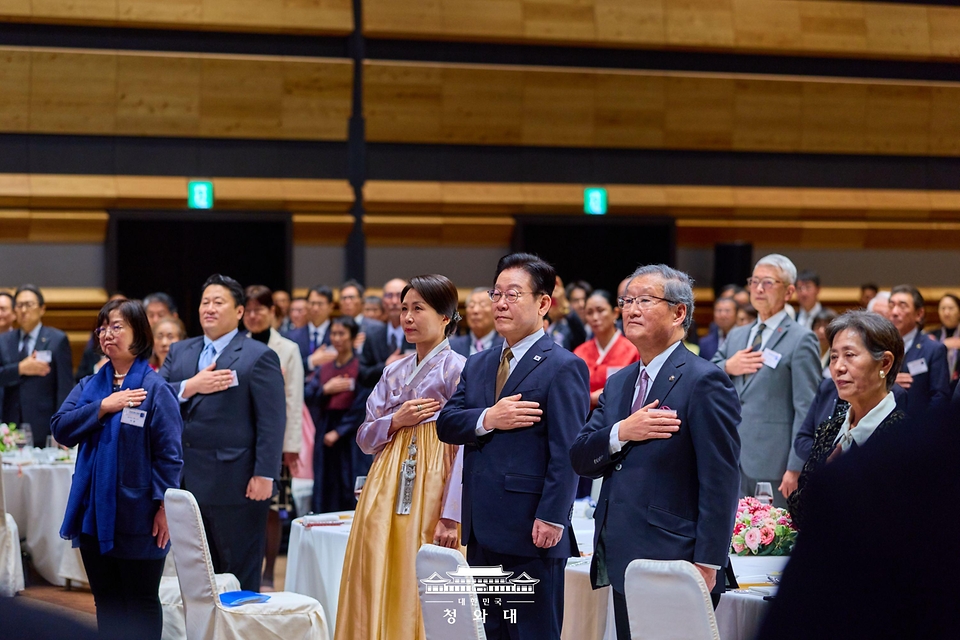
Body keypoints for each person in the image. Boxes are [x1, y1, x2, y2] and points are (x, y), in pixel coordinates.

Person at [570, 265, 741, 637]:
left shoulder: (704, 380)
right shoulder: (619, 383)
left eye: (644, 300)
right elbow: (581, 457)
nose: (631, 309)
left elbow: (721, 479)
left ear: (679, 313)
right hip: (621, 553)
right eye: (626, 301)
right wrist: (621, 431)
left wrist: (708, 561)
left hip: (676, 558)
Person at [437, 253, 590, 640]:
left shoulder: (563, 365)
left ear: (543, 303)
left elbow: (567, 451)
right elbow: (447, 424)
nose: (500, 303)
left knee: (532, 633)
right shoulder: (479, 363)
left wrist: (553, 516)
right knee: (491, 631)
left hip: (531, 530)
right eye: (497, 293)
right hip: (483, 526)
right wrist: (490, 417)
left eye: (513, 294)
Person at [335, 275, 465, 640]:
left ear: (445, 317)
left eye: (418, 309)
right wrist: (397, 420)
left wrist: (452, 514)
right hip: (385, 482)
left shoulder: (460, 369)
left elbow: (468, 448)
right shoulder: (392, 370)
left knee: (423, 568)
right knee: (377, 562)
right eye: (404, 309)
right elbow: (364, 437)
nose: (407, 317)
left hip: (435, 478)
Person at [51, 299, 182, 640]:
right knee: (106, 601)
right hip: (92, 511)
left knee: (140, 601)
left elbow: (170, 456)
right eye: (103, 327)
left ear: (138, 332)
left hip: (139, 512)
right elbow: (61, 428)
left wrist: (165, 507)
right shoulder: (90, 387)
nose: (107, 333)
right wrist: (104, 406)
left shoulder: (155, 389)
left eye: (117, 326)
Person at [159, 274, 286, 592]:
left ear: (240, 311)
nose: (209, 309)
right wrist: (190, 386)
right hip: (185, 479)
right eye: (205, 302)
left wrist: (265, 474)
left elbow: (271, 421)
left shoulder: (258, 355)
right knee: (196, 572)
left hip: (236, 481)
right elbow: (155, 396)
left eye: (219, 302)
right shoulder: (180, 352)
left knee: (237, 571)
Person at [711, 255, 821, 506]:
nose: (759, 289)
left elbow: (807, 409)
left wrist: (796, 466)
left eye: (768, 282)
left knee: (770, 542)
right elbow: (706, 377)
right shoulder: (738, 336)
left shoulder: (801, 339)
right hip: (730, 457)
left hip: (775, 463)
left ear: (789, 291)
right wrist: (728, 366)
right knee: (733, 539)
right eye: (754, 281)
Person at [787, 311, 906, 530]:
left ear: (885, 363)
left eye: (849, 355)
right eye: (833, 357)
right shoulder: (829, 429)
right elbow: (797, 510)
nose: (838, 367)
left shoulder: (904, 436)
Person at [242, 285, 304, 590]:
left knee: (272, 507)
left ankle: (268, 572)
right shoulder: (236, 344)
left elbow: (294, 399)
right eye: (248, 310)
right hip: (240, 438)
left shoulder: (287, 349)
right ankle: (245, 568)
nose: (253, 316)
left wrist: (290, 445)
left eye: (260, 310)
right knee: (244, 505)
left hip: (274, 441)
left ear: (273, 312)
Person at [0, 284, 74, 446]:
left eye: (29, 305)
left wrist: (62, 425)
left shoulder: (56, 340)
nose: (23, 310)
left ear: (42, 309)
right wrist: (20, 369)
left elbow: (65, 387)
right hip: (9, 425)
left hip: (44, 424)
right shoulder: (4, 340)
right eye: (19, 305)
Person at [305, 316, 361, 513]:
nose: (337, 338)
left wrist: (339, 431)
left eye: (342, 334)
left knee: (349, 482)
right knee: (325, 482)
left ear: (353, 337)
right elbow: (309, 395)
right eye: (334, 334)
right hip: (325, 427)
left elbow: (362, 405)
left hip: (351, 433)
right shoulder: (324, 368)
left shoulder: (360, 366)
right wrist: (325, 390)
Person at [888, 284, 950, 416]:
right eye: (891, 305)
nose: (894, 312)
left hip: (917, 427)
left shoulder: (933, 349)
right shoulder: (877, 347)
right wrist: (886, 381)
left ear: (919, 314)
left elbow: (939, 398)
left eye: (902, 306)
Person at [573, 290, 639, 410]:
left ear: (615, 313)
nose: (595, 317)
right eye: (589, 312)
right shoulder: (579, 352)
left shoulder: (633, 351)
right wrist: (590, 398)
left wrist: (605, 395)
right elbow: (571, 390)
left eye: (600, 310)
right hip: (584, 418)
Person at [358, 278, 412, 387]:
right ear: (383, 302)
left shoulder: (419, 333)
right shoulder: (373, 335)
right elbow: (362, 375)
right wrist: (385, 366)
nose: (394, 301)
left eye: (399, 295)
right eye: (389, 296)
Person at [286, 285, 336, 374]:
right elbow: (288, 367)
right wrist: (310, 361)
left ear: (331, 307)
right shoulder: (292, 336)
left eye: (320, 304)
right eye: (312, 303)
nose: (315, 308)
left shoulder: (339, 334)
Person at [450, 287, 503, 357]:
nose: (475, 310)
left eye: (482, 305)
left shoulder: (505, 346)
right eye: (471, 306)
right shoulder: (452, 347)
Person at [339, 279, 383, 352]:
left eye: (351, 297)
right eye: (344, 298)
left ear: (362, 300)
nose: (347, 302)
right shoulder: (334, 328)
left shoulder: (376, 328)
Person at [929, 293, 960, 390]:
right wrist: (942, 345)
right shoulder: (931, 336)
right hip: (937, 388)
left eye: (951, 308)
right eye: (943, 308)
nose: (946, 313)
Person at [698, 297, 738, 361]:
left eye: (727, 311)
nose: (723, 315)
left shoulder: (746, 338)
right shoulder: (705, 343)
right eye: (719, 311)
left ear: (736, 314)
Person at [812, 308, 839, 377]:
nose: (821, 331)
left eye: (826, 327)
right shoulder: (808, 353)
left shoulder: (838, 356)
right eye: (817, 326)